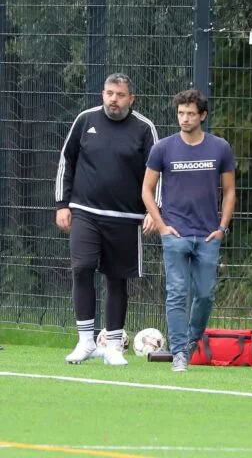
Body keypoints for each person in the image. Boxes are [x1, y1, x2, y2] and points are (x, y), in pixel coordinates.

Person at [55, 73, 158, 366]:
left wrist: (154, 210)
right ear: (103, 94)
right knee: (82, 267)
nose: (114, 99)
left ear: (131, 98)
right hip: (85, 212)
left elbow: (157, 172)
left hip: (126, 217)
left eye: (120, 94)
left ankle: (113, 345)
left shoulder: (144, 128)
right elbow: (67, 160)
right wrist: (62, 204)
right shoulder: (85, 120)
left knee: (117, 279)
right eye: (109, 93)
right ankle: (86, 341)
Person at [142, 89, 236, 372]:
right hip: (175, 234)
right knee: (177, 292)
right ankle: (180, 352)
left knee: (205, 294)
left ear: (202, 116)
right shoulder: (163, 148)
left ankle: (191, 340)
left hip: (208, 235)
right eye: (181, 113)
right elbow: (147, 190)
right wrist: (161, 226)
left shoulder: (220, 147)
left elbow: (230, 191)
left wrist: (222, 227)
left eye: (191, 114)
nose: (184, 118)